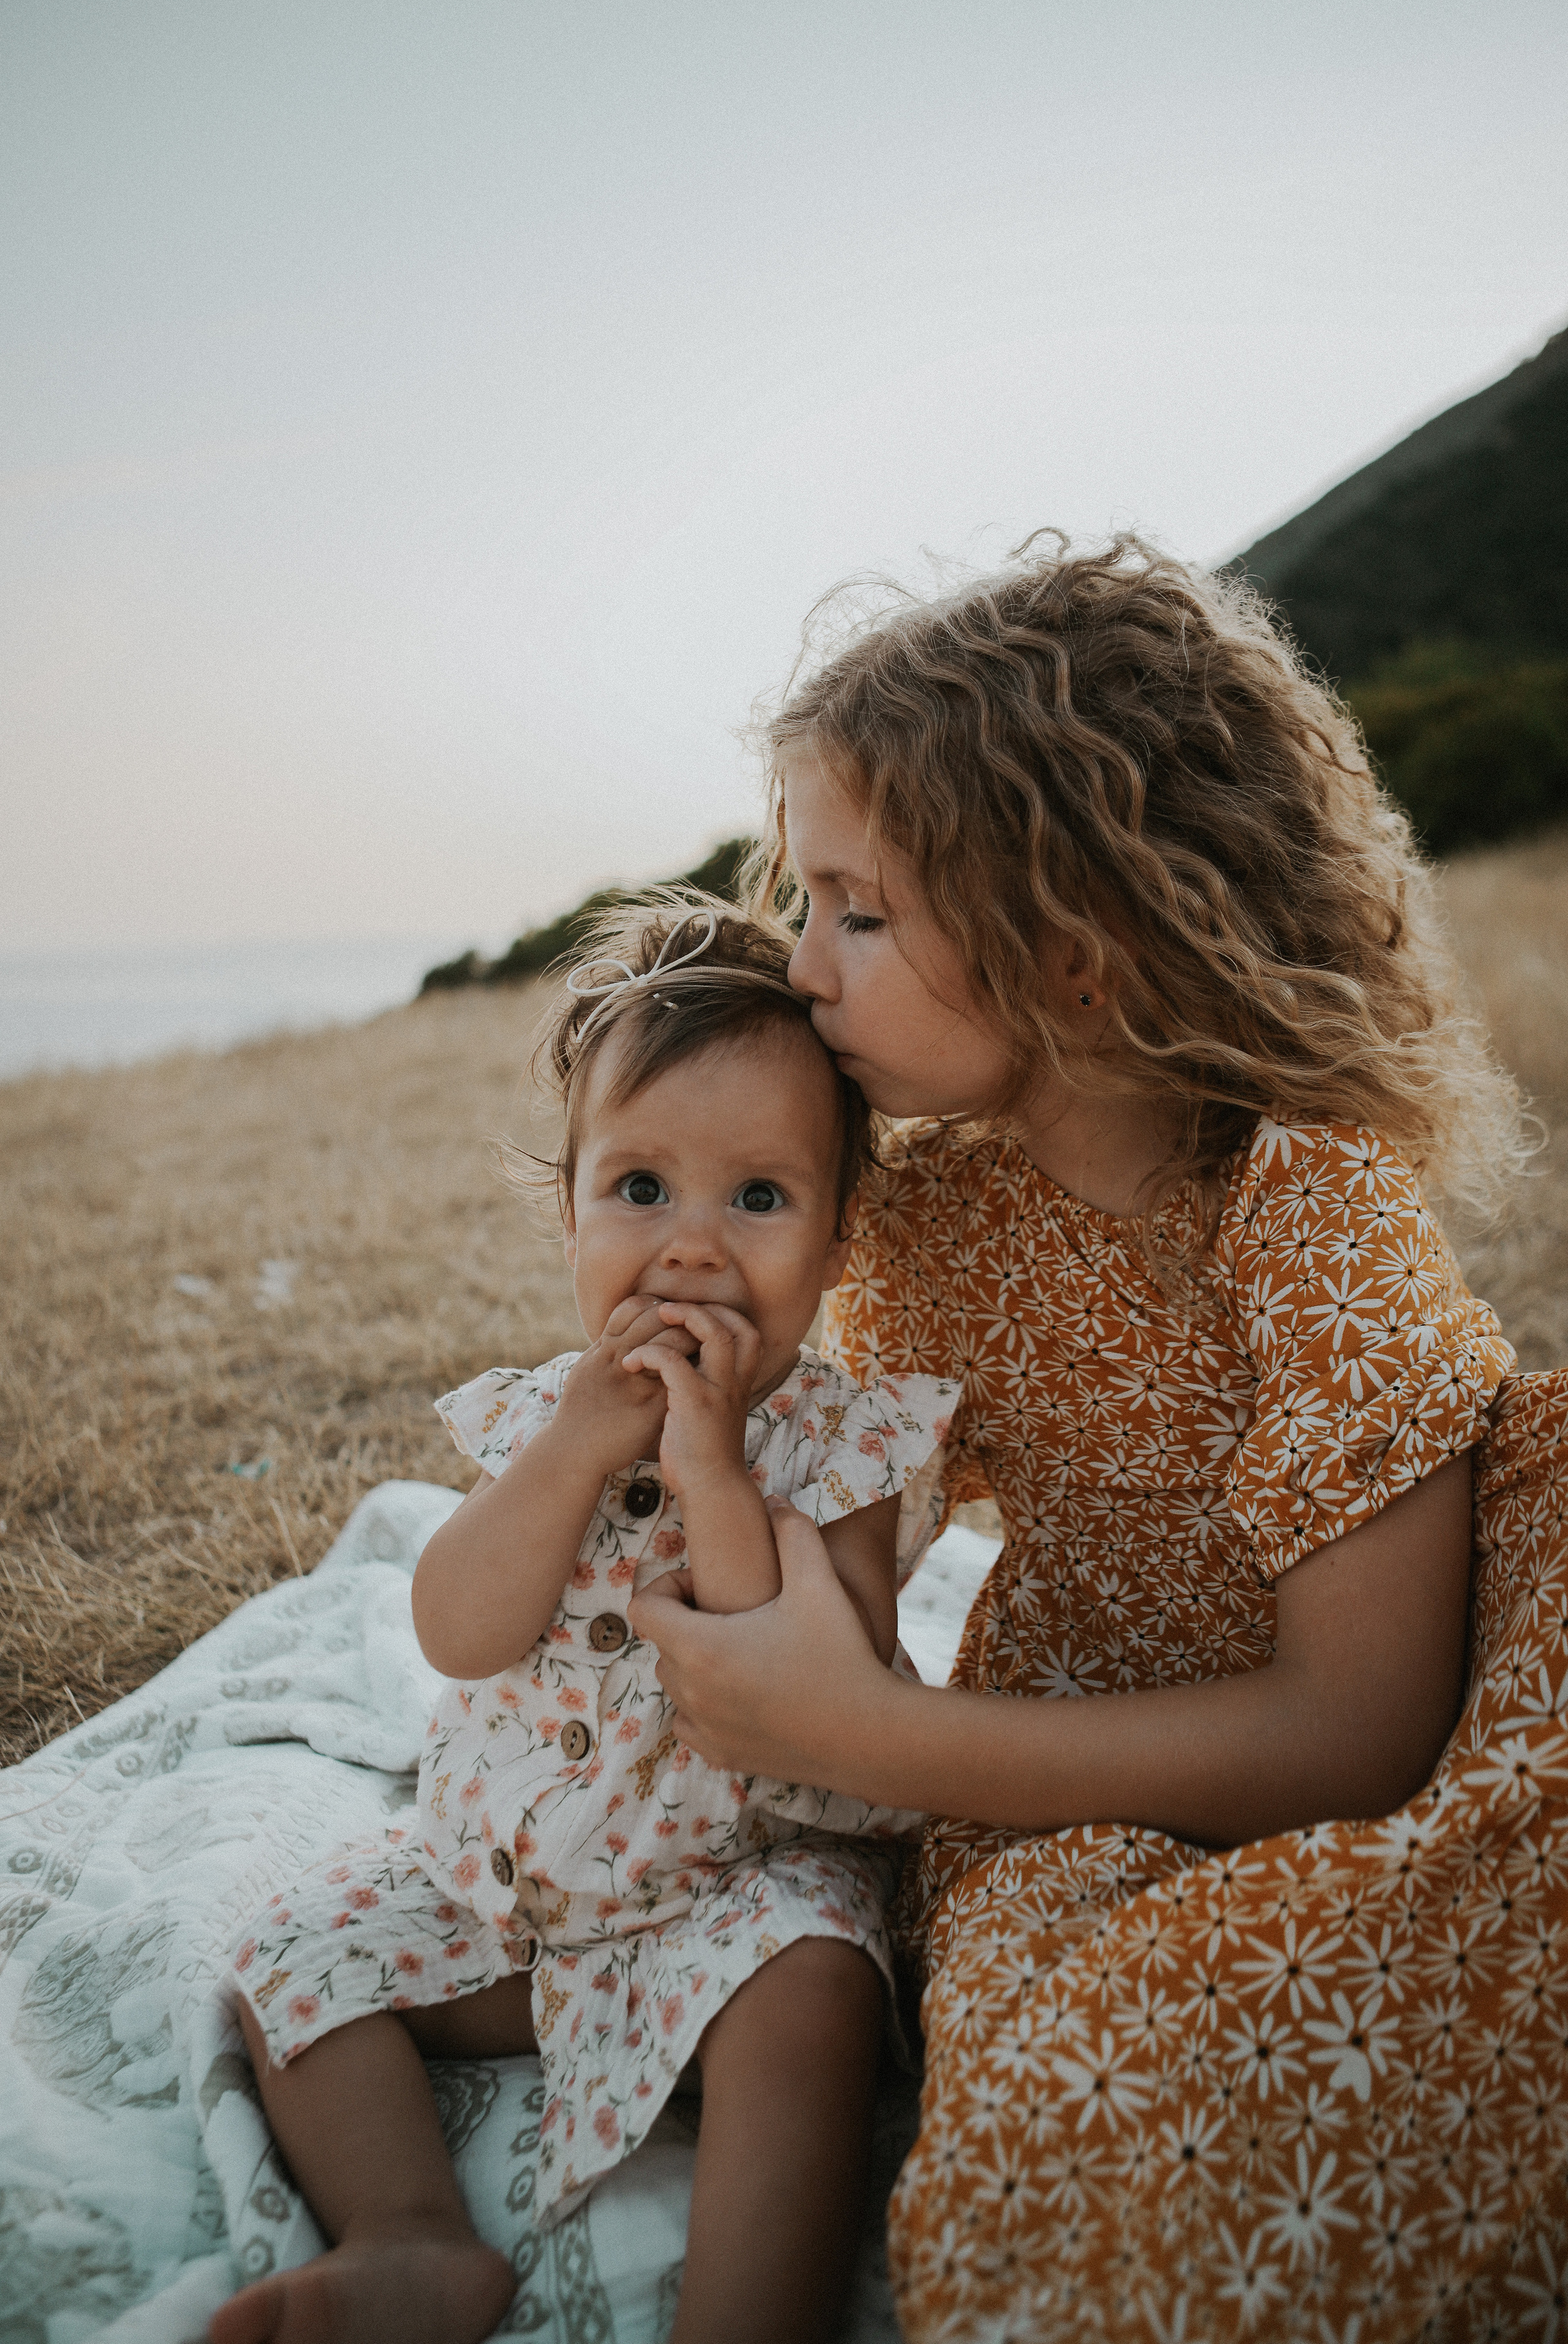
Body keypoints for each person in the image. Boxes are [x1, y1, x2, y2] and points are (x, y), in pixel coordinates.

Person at [630, 536, 1568, 2342]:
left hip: (1411, 1744)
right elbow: (837, 1554)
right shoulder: (927, 1224)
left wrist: (878, 1737)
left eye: (857, 911)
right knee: (1062, 2092)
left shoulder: (1311, 1208)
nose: (802, 965)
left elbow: (1362, 1732)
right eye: (804, 902)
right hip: (1070, 1782)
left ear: (1072, 950)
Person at [211, 902, 957, 2344]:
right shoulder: (543, 1419)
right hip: (510, 1896)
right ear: (569, 1215)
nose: (690, 1247)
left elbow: (829, 1679)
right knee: (285, 1960)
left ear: (836, 1244)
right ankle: (408, 2235)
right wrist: (567, 1458)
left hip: (735, 1896)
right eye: (639, 1187)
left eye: (757, 1197)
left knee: (817, 1990)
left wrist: (713, 1475)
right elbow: (455, 1629)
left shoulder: (844, 1445)